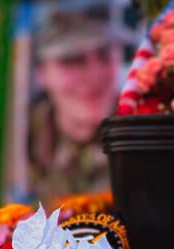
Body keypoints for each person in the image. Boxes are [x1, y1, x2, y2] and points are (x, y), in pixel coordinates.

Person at [27, 4, 131, 205]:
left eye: (104, 54)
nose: (94, 74)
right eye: (72, 60)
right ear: (41, 72)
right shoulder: (19, 140)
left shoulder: (142, 131)